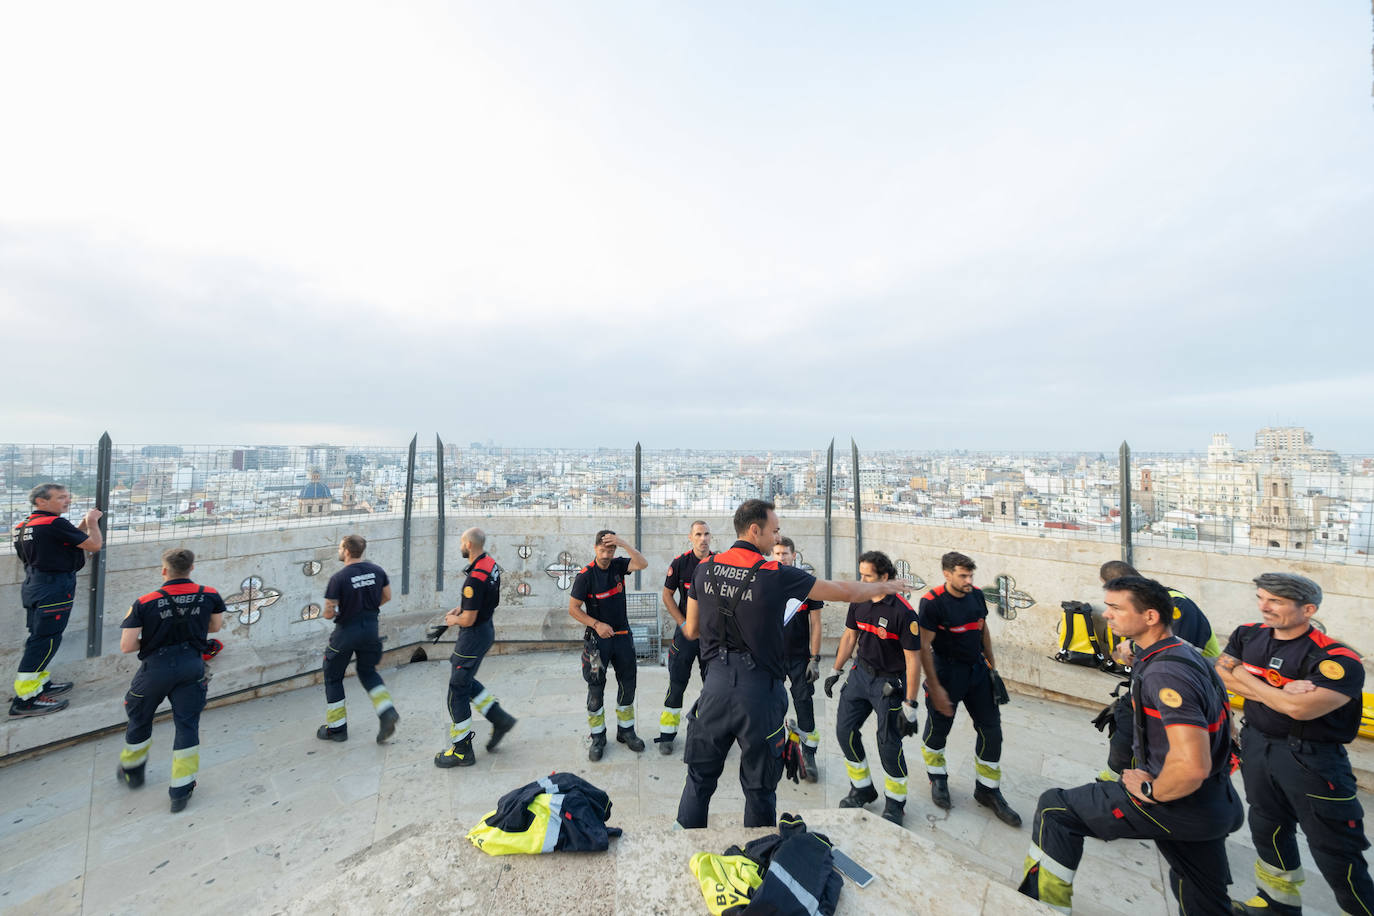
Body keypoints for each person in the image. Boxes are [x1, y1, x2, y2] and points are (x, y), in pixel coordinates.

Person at [675, 499, 907, 829]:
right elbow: (842, 590)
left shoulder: (704, 568)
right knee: (759, 789)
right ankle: (757, 860)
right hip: (759, 694)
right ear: (754, 530)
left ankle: (684, 852)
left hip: (714, 686)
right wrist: (884, 586)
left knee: (699, 780)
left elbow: (692, 629)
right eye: (774, 531)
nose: (776, 538)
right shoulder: (776, 574)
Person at [1018, 575, 1244, 914]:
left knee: (1055, 810)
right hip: (1213, 804)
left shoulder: (1165, 675)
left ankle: (1042, 907)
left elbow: (1192, 766)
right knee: (1202, 897)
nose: (1106, 615)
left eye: (1115, 608)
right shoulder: (1184, 652)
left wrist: (1152, 790)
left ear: (1150, 616)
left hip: (1174, 801)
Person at [1216, 573, 1372, 916]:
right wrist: (1277, 691)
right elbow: (1220, 671)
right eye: (1261, 597)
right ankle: (1277, 904)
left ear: (1308, 609)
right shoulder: (1248, 634)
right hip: (1257, 745)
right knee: (1267, 826)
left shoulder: (1338, 659)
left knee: (1334, 846)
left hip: (1311, 760)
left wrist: (1243, 676)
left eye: (1276, 602)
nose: (1264, 607)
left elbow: (1299, 708)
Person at [116, 548, 225, 813]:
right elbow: (215, 627)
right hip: (192, 666)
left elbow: (127, 646)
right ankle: (181, 789)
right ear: (191, 568)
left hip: (155, 669)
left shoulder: (145, 601)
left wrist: (155, 639)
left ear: (164, 570)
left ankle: (132, 771)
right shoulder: (209, 594)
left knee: (140, 719)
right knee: (187, 724)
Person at [918, 551, 1021, 827]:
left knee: (991, 730)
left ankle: (987, 790)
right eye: (962, 575)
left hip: (977, 671)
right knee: (938, 730)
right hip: (946, 673)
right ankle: (937, 778)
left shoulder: (976, 596)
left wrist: (992, 668)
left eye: (970, 575)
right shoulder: (931, 603)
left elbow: (982, 630)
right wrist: (935, 686)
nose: (968, 580)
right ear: (946, 573)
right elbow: (924, 648)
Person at [1095, 560, 1220, 782]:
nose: (1107, 613)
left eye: (1114, 605)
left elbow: (1183, 651)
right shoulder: (1133, 612)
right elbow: (1122, 654)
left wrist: (1132, 647)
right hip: (1146, 690)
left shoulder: (1176, 604)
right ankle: (1118, 784)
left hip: (1188, 690)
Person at [824, 550, 920, 825]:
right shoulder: (859, 599)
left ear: (885, 578)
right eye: (861, 575)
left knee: (888, 743)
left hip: (889, 684)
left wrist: (910, 704)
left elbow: (914, 660)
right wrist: (835, 670)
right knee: (844, 730)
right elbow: (850, 635)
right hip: (859, 675)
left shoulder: (903, 613)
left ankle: (895, 803)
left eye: (868, 576)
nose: (862, 580)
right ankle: (862, 788)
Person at [9, 483, 102, 716]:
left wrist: (81, 524)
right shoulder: (53, 523)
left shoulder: (22, 526)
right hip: (55, 588)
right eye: (61, 497)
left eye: (67, 497)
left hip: (34, 585)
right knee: (46, 640)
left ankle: (40, 684)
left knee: (38, 637)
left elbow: (68, 538)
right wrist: (92, 523)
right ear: (41, 501)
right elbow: (94, 544)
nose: (67, 501)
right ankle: (26, 699)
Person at [435, 528, 517, 768]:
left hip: (472, 636)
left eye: (461, 542)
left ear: (469, 544)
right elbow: (486, 600)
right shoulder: (489, 564)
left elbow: (469, 620)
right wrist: (462, 609)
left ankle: (461, 750)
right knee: (465, 679)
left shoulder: (474, 578)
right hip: (485, 629)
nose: (460, 546)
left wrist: (453, 620)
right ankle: (498, 718)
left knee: (456, 690)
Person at [569, 529, 649, 761]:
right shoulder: (585, 575)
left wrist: (623, 543)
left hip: (623, 638)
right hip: (596, 644)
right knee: (595, 690)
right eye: (603, 549)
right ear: (595, 549)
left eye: (611, 549)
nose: (606, 554)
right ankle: (597, 737)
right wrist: (596, 624)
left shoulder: (618, 565)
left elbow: (642, 563)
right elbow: (573, 609)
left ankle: (626, 731)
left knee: (628, 686)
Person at [316, 535, 399, 744]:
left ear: (345, 550)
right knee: (368, 672)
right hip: (371, 628)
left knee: (333, 676)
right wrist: (369, 608)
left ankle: (337, 729)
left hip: (346, 632)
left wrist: (333, 612)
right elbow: (387, 596)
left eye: (339, 547)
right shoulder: (377, 571)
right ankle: (387, 711)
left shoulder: (339, 578)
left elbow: (328, 611)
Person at [655, 520, 713, 756]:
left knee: (713, 688)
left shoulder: (719, 563)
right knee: (677, 682)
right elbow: (667, 595)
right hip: (685, 636)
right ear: (690, 537)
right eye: (698, 534)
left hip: (711, 637)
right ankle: (668, 735)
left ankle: (710, 735)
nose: (703, 538)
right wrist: (683, 623)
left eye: (707, 534)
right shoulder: (680, 563)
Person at [773, 536, 823, 780]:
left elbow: (816, 623)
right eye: (777, 553)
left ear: (794, 556)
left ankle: (809, 753)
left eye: (785, 553)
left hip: (799, 657)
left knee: (803, 701)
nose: (781, 557)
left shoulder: (807, 585)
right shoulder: (768, 581)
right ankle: (773, 750)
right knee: (771, 701)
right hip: (772, 655)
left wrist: (814, 658)